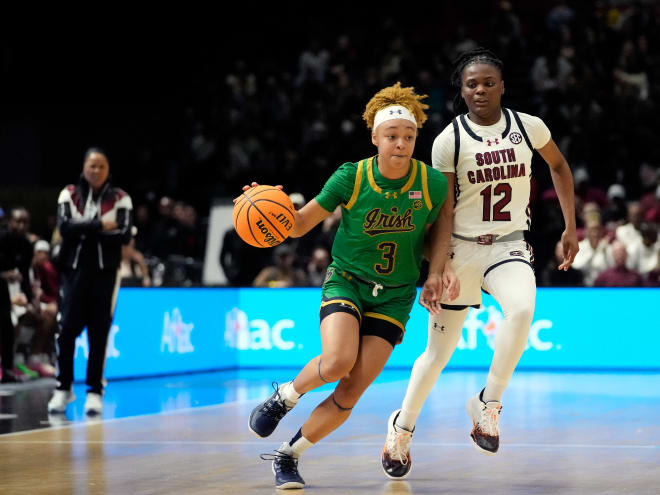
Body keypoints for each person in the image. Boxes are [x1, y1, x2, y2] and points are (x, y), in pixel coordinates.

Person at [245, 82, 457, 489]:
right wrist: (270, 207)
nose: (401, 144)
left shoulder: (431, 183)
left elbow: (442, 230)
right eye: (392, 136)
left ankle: (288, 456)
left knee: (350, 391)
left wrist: (434, 273)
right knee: (338, 360)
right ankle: (286, 396)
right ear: (375, 137)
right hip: (347, 282)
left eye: (409, 137)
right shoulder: (351, 176)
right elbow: (302, 222)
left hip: (395, 296)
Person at [381, 47, 579, 479]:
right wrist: (437, 269)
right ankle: (402, 427)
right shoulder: (449, 139)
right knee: (437, 355)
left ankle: (488, 404)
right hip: (461, 250)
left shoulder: (529, 126)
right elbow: (443, 210)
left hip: (508, 245)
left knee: (523, 309)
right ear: (463, 90)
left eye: (489, 82)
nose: (481, 90)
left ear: (502, 86)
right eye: (472, 84)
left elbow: (560, 168)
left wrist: (570, 228)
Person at [48, 147, 133, 416]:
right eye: (91, 165)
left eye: (101, 166)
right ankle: (63, 388)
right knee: (66, 331)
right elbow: (64, 229)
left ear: (108, 170)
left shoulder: (121, 198)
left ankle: (94, 391)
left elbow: (123, 235)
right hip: (74, 272)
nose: (96, 171)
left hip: (106, 274)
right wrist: (99, 226)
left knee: (98, 334)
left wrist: (81, 227)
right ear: (84, 167)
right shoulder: (69, 194)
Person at [0, 207, 35, 383]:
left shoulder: (26, 245)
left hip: (4, 291)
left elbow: (24, 275)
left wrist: (30, 298)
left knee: (6, 326)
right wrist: (4, 275)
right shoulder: (1, 238)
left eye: (25, 222)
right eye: (17, 221)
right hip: (2, 282)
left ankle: (7, 370)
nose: (21, 225)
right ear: (10, 222)